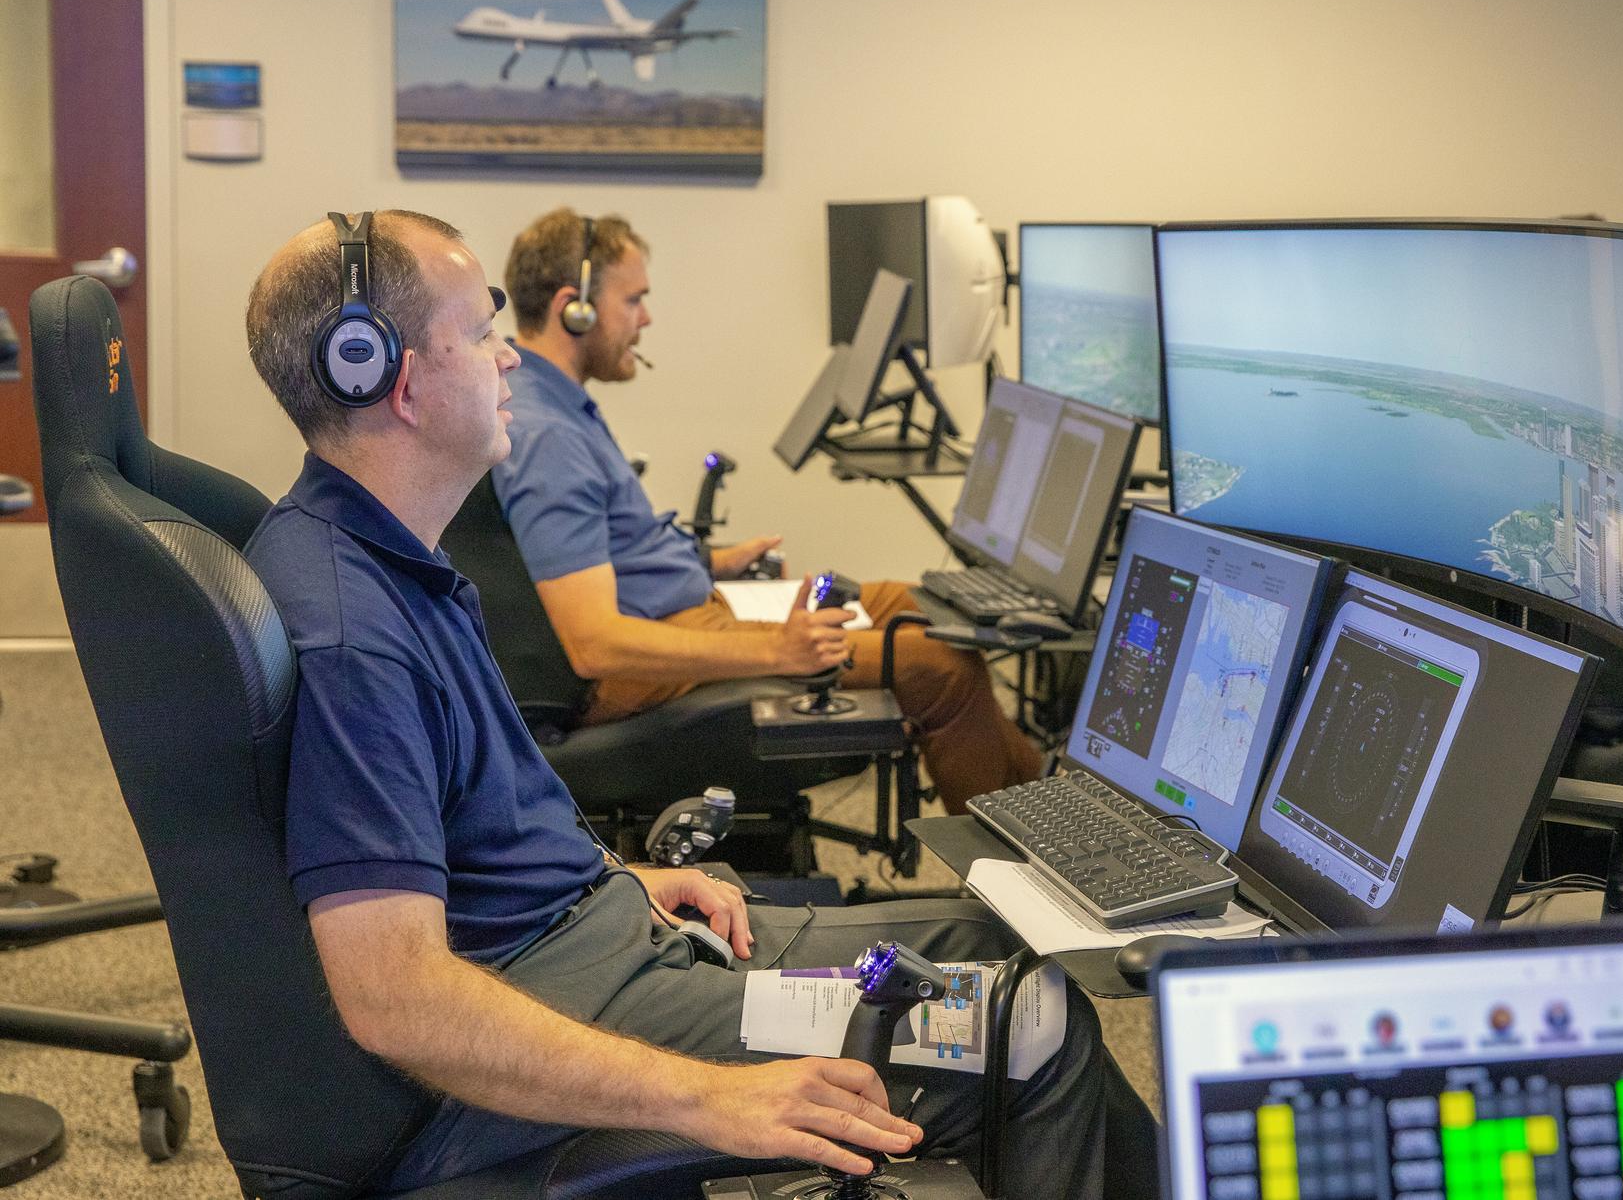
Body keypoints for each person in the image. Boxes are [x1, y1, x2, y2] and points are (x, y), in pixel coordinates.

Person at [241, 209, 1151, 1196]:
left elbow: (471, 836)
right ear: (391, 377)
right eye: (482, 333)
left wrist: (616, 880)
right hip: (562, 1005)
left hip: (601, 941)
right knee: (1026, 1031)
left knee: (999, 955)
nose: (509, 360)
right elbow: (396, 999)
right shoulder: (354, 632)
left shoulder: (395, 562)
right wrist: (707, 1096)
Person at [491, 207, 1040, 811]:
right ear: (574, 307)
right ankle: (1010, 850)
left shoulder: (552, 400)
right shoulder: (549, 438)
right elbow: (594, 642)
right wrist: (781, 649)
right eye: (634, 300)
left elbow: (597, 550)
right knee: (942, 665)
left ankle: (1037, 805)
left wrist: (710, 562)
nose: (646, 318)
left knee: (924, 607)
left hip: (685, 607)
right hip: (649, 649)